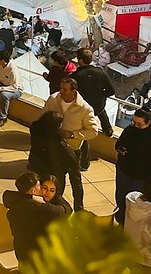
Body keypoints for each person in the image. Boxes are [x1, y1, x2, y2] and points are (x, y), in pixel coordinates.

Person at [40, 78, 99, 211]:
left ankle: (79, 209)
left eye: (65, 89)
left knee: (76, 182)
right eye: (61, 88)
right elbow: (42, 118)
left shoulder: (85, 108)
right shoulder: (53, 99)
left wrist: (73, 135)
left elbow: (93, 131)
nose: (61, 91)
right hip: (55, 149)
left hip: (73, 150)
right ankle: (56, 208)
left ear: (74, 91)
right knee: (57, 180)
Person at [3, 171, 66, 267]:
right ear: (33, 190)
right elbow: (64, 210)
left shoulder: (15, 203)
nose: (42, 189)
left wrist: (30, 196)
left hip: (21, 251)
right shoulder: (41, 208)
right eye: (40, 186)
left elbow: (8, 195)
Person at [114, 108, 151, 225]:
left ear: (148, 123)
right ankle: (121, 219)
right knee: (121, 196)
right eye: (134, 122)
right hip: (124, 170)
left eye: (139, 124)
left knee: (135, 202)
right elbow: (119, 143)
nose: (135, 126)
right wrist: (120, 149)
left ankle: (131, 224)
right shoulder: (130, 130)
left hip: (140, 178)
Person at [71, 47, 115, 169]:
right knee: (101, 112)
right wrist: (100, 96)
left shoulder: (76, 76)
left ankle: (84, 163)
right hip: (98, 105)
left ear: (80, 60)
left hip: (83, 109)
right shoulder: (101, 72)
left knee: (84, 135)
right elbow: (111, 91)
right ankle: (108, 130)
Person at [27, 111, 78, 197]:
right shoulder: (59, 145)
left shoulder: (36, 131)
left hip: (36, 166)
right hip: (54, 173)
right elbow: (75, 179)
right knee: (53, 195)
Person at [0, 49, 22, 127]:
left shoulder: (13, 69)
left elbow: (14, 86)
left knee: (4, 95)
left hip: (16, 90)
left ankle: (3, 118)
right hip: (4, 84)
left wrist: (0, 89)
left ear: (2, 60)